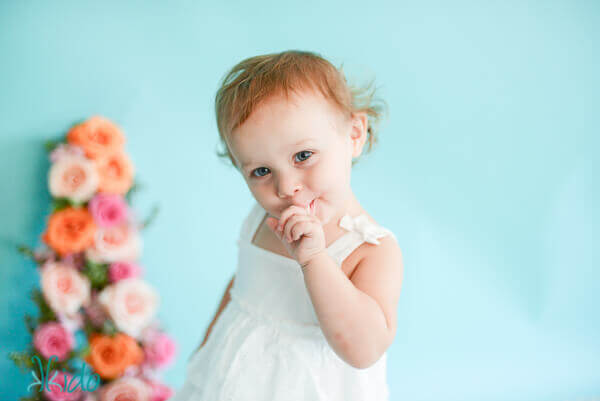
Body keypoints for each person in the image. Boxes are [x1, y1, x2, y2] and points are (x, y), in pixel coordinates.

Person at [173, 49, 404, 401]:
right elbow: (242, 288)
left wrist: (314, 260)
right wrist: (206, 348)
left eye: (302, 156)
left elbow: (364, 350)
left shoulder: (371, 249)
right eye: (261, 172)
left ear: (355, 134)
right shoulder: (263, 219)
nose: (285, 188)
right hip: (233, 381)